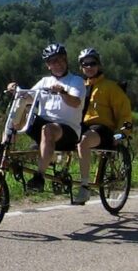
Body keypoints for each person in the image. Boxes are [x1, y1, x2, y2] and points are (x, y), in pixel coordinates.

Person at [7, 42, 85, 192]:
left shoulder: (76, 81)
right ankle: (6, 146)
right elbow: (28, 97)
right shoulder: (45, 82)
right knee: (20, 104)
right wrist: (15, 90)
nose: (58, 64)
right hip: (45, 128)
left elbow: (75, 103)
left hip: (68, 131)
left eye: (61, 59)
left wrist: (63, 92)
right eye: (53, 61)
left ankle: (39, 178)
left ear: (66, 60)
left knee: (48, 129)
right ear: (48, 65)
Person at [74, 47, 133, 205]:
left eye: (92, 63)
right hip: (83, 127)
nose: (89, 67)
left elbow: (125, 114)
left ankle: (85, 187)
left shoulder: (110, 87)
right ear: (81, 67)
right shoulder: (80, 87)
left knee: (83, 142)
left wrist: (121, 134)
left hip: (103, 129)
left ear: (99, 65)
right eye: (85, 64)